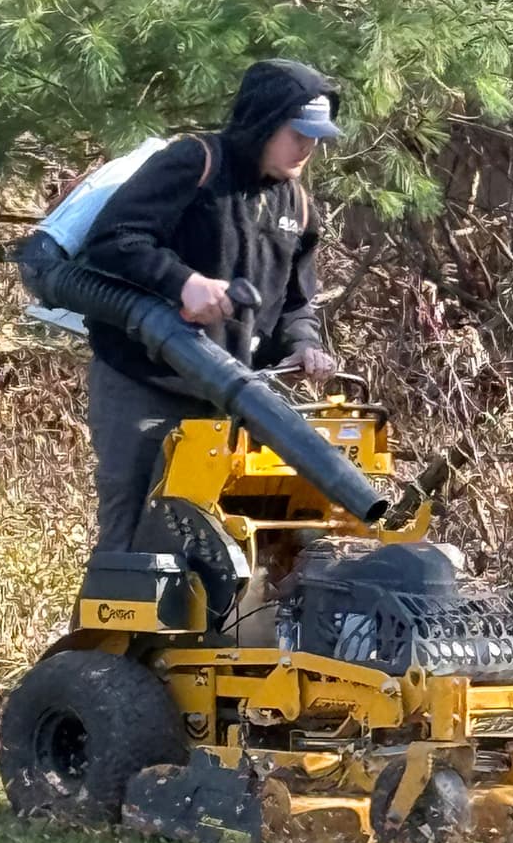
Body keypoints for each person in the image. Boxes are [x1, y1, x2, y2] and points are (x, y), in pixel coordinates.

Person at [79, 59, 341, 552]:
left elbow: (296, 305)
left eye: (317, 136)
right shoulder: (194, 164)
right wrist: (184, 283)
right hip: (145, 384)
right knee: (135, 540)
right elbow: (113, 241)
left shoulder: (299, 207)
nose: (308, 146)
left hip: (230, 401)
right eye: (297, 132)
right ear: (263, 122)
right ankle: (107, 632)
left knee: (233, 550)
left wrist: (304, 344)